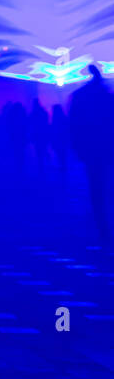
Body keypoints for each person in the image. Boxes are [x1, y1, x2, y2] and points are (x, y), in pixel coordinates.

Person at [69, 64, 114, 246]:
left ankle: (102, 226)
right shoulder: (107, 96)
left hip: (91, 149)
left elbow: (74, 124)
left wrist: (77, 147)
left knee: (96, 187)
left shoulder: (80, 97)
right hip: (107, 146)